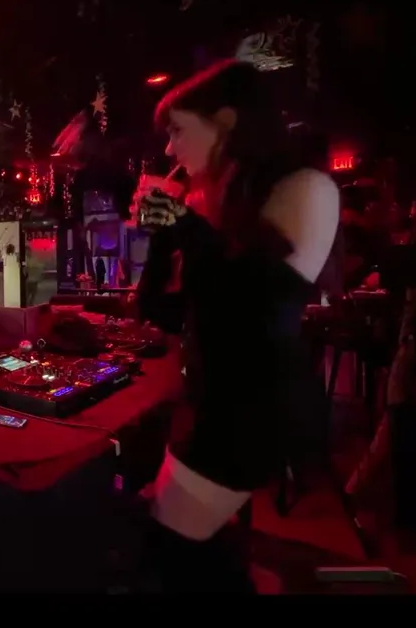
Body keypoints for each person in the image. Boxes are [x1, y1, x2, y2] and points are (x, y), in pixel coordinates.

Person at [135, 60, 341, 591]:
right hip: (217, 406)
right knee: (183, 545)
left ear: (225, 121)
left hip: (256, 410)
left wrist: (184, 225)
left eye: (178, 131)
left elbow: (259, 306)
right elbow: (165, 310)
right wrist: (163, 236)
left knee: (171, 549)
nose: (169, 149)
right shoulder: (216, 201)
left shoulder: (305, 187)